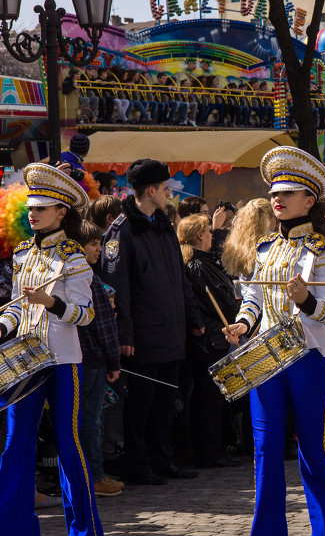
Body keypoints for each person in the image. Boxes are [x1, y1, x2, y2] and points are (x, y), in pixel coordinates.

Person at [221, 146, 325, 536]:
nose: (277, 198)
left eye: (288, 192)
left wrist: (305, 300)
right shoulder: (266, 246)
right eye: (273, 192)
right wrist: (241, 323)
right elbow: (252, 297)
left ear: (309, 200)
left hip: (309, 359)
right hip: (266, 360)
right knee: (265, 454)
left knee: (313, 452)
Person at [0, 164, 101, 536]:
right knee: (13, 447)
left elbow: (86, 314)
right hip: (25, 360)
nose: (33, 213)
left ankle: (85, 533)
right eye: (30, 206)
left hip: (62, 361)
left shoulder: (75, 259)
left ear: (62, 212)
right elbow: (15, 309)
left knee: (68, 444)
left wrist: (52, 303)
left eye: (42, 207)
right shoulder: (23, 253)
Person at [102, 159, 203, 486]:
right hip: (143, 334)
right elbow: (117, 288)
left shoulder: (161, 224)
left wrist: (193, 316)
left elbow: (180, 278)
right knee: (142, 404)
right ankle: (139, 463)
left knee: (164, 402)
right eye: (164, 188)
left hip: (170, 330)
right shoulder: (122, 229)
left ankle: (163, 459)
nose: (168, 194)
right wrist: (125, 333)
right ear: (151, 190)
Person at [178, 213, 240, 469]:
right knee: (208, 398)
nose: (213, 235)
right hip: (210, 339)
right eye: (209, 231)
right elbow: (216, 300)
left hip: (216, 336)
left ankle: (215, 448)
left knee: (213, 398)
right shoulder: (196, 265)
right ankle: (209, 451)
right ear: (200, 234)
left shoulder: (203, 261)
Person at [77, 219, 123, 498]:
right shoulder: (88, 277)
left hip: (84, 357)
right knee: (90, 422)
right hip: (92, 359)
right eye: (94, 244)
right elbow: (104, 325)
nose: (100, 249)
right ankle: (94, 476)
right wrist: (114, 361)